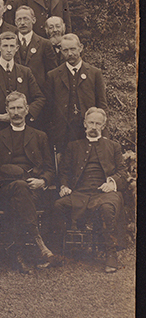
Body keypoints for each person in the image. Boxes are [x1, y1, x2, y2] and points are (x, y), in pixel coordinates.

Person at [0, 92, 59, 273]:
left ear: (27, 110)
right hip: (6, 189)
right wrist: (11, 174)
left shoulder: (40, 136)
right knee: (19, 187)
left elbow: (50, 169)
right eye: (12, 108)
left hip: (33, 189)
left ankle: (17, 254)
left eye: (20, 108)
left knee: (19, 198)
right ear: (6, 111)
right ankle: (39, 243)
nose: (16, 112)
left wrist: (42, 181)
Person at [52, 108, 128, 273]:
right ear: (85, 124)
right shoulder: (74, 146)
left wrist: (112, 181)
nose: (94, 126)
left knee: (108, 207)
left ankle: (111, 254)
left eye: (98, 123)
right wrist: (64, 186)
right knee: (58, 205)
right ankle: (57, 253)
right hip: (80, 193)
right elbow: (64, 171)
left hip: (105, 193)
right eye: (91, 122)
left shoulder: (113, 146)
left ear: (103, 125)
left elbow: (123, 172)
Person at [45, 33, 107, 156]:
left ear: (80, 48)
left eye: (73, 49)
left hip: (87, 130)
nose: (70, 53)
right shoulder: (53, 75)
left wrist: (104, 134)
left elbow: (102, 105)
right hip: (63, 132)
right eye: (65, 50)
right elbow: (49, 108)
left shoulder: (95, 73)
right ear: (61, 51)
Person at [0, 32, 45, 138]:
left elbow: (39, 98)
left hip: (22, 129)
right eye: (5, 46)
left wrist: (24, 113)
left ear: (17, 48)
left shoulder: (25, 72)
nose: (9, 50)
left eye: (12, 46)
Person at [14, 5, 58, 91]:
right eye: (19, 19)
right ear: (15, 22)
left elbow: (51, 72)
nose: (22, 23)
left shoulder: (44, 44)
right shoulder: (9, 43)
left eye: (26, 19)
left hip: (37, 92)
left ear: (33, 20)